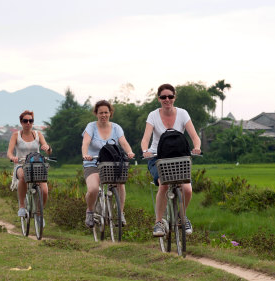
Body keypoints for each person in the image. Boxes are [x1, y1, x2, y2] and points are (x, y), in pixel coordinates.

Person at [141, 84, 201, 237]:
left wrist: (197, 147)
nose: (167, 99)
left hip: (179, 157)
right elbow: (145, 139)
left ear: (174, 97)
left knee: (187, 189)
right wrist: (145, 151)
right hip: (158, 157)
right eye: (163, 97)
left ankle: (182, 217)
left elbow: (194, 136)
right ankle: (159, 222)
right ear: (159, 99)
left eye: (170, 96)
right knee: (163, 184)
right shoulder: (153, 115)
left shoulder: (183, 114)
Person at [82, 100, 135, 228]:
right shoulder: (91, 127)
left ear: (110, 113)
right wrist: (85, 154)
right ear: (96, 114)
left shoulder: (116, 128)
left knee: (120, 184)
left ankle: (120, 213)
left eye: (106, 112)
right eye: (101, 113)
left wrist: (129, 152)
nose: (103, 115)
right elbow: (86, 142)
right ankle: (90, 211)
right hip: (93, 163)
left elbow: (123, 142)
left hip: (111, 164)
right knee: (93, 188)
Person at [7, 110, 52, 220]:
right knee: (22, 176)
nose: (28, 123)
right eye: (25, 121)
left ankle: (39, 214)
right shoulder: (16, 135)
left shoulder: (38, 134)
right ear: (21, 122)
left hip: (36, 166)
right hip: (21, 165)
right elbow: (9, 152)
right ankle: (22, 206)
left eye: (30, 121)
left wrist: (48, 149)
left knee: (45, 190)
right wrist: (13, 157)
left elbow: (47, 149)